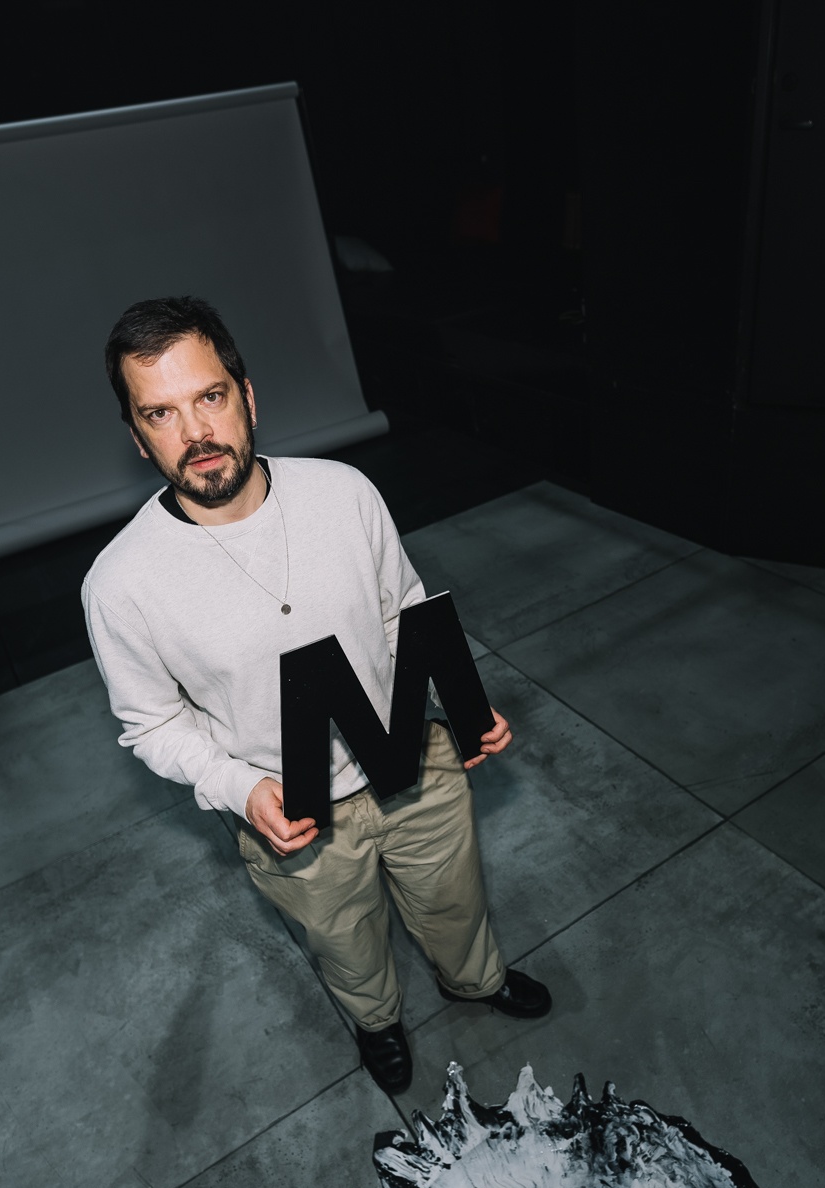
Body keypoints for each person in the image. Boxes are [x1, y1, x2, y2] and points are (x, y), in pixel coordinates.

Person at [81, 296, 550, 1094]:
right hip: (292, 809)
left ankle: (476, 979)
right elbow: (152, 723)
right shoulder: (119, 583)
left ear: (247, 395)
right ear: (136, 435)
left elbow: (401, 611)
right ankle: (377, 1022)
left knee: (454, 897)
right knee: (344, 939)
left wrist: (463, 704)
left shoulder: (343, 492)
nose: (195, 432)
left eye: (210, 396)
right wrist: (237, 786)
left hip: (411, 758)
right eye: (160, 413)